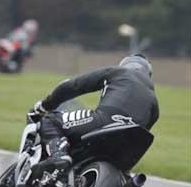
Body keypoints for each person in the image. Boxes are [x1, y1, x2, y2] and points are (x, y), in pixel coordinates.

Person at [30, 54, 159, 173]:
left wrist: (46, 105)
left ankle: (58, 154)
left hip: (105, 119)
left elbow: (74, 86)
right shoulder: (154, 102)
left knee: (51, 120)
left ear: (125, 65)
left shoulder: (117, 72)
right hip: (132, 145)